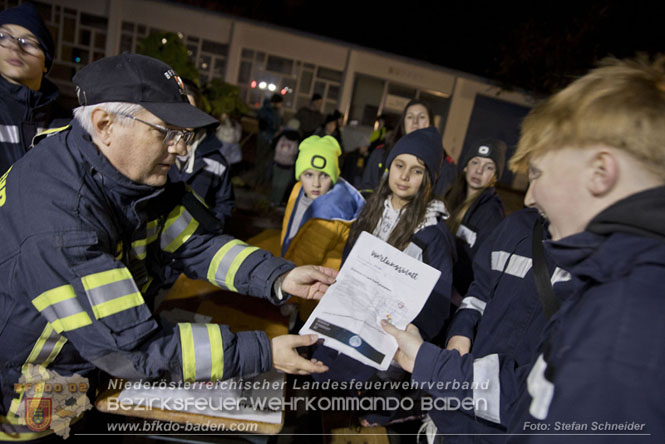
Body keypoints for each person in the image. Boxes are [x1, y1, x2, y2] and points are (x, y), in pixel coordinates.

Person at [0, 53, 337, 441]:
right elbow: (136, 348)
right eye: (166, 132)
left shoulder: (117, 169)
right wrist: (264, 352)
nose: (180, 149)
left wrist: (281, 276)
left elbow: (198, 243)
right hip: (29, 394)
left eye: (184, 135)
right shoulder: (62, 224)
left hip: (85, 367)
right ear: (105, 124)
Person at [383, 55, 665, 443]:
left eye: (539, 173)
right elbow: (528, 398)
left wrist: (428, 363)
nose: (530, 196)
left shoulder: (631, 325)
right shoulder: (614, 281)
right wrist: (437, 358)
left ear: (601, 172)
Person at [312, 128, 456, 428]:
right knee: (321, 408)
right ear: (388, 167)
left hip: (386, 351)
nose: (404, 176)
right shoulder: (370, 212)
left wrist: (408, 342)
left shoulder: (434, 234)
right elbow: (349, 266)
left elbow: (438, 305)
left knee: (360, 424)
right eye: (399, 165)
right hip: (345, 333)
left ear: (428, 179)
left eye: (416, 171)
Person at [425, 208, 571, 442]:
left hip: (504, 431)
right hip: (453, 412)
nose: (529, 197)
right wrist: (460, 333)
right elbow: (479, 290)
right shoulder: (516, 224)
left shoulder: (600, 261)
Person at [251, 135, 364, 320]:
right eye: (308, 174)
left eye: (324, 175)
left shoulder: (331, 213)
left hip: (314, 295)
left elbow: (306, 259)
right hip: (297, 279)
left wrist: (288, 295)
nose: (316, 184)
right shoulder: (298, 191)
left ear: (334, 176)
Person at [0, 2, 68, 175]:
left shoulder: (65, 124)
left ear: (45, 62)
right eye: (3, 37)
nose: (15, 48)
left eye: (27, 43)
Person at [168, 78, 234, 226]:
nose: (184, 119)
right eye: (179, 110)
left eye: (190, 111)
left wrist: (211, 229)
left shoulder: (216, 162)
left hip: (195, 243)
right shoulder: (154, 151)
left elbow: (224, 204)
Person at [360, 99, 456, 198]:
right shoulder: (382, 153)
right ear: (403, 123)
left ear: (430, 123)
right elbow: (367, 189)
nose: (415, 122)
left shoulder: (444, 164)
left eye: (421, 117)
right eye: (410, 117)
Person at [445, 139, 506, 296]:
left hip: (455, 294)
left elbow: (482, 269)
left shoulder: (492, 214)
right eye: (475, 162)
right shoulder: (450, 196)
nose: (479, 171)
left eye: (489, 167)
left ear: (495, 176)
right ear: (466, 166)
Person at [269, 118, 301, 206]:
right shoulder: (298, 139)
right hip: (288, 165)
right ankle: (277, 202)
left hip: (277, 163)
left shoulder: (282, 136)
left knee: (275, 183)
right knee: (282, 186)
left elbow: (273, 145)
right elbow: (297, 153)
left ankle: (272, 200)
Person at [255, 93, 282, 186]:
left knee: (266, 160)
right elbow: (263, 123)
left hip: (270, 138)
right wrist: (273, 130)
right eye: (280, 103)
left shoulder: (275, 111)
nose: (281, 105)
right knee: (261, 159)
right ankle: (258, 180)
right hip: (265, 137)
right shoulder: (267, 110)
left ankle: (262, 180)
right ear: (276, 102)